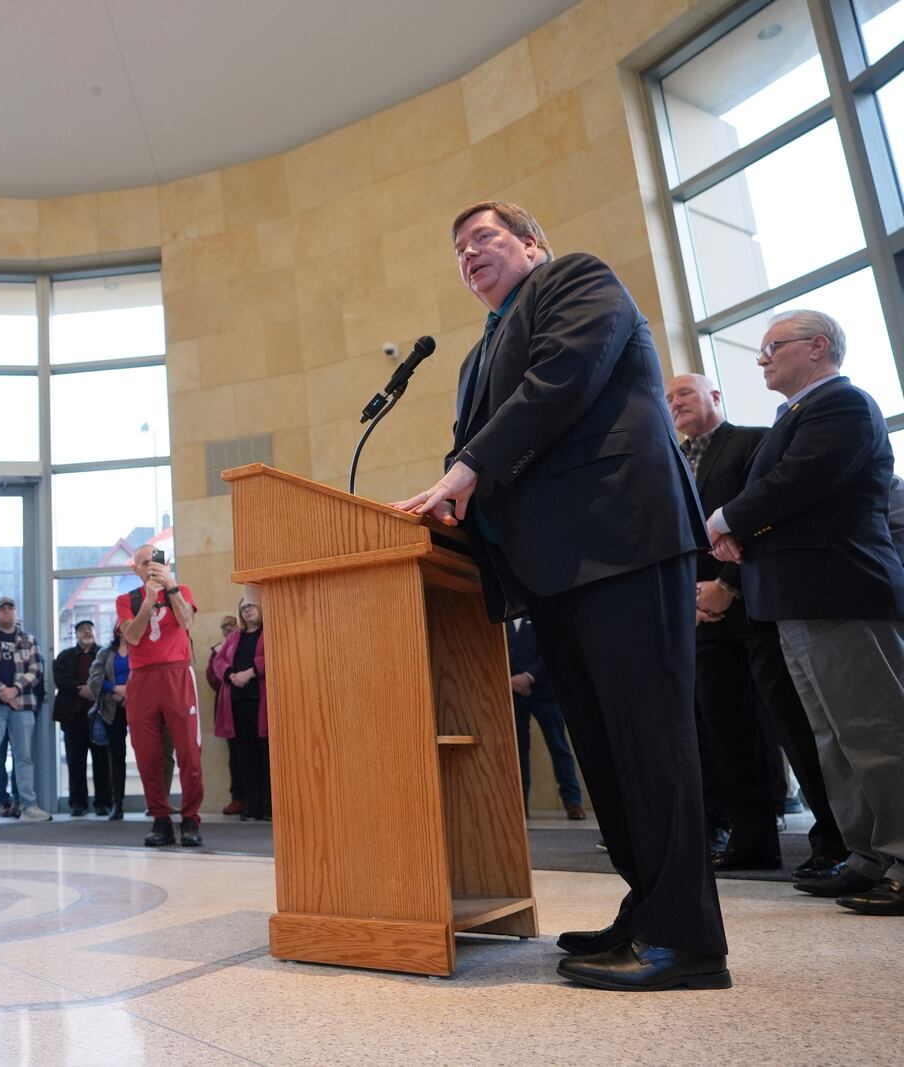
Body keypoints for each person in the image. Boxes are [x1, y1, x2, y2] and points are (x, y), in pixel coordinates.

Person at [394, 201, 727, 991]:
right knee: (608, 754)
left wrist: (463, 472)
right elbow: (475, 449)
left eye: (484, 237)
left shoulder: (576, 277)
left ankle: (688, 939)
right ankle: (648, 907)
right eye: (458, 248)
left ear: (531, 243)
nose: (469, 253)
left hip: (620, 538)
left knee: (649, 741)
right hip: (554, 570)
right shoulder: (480, 352)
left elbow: (561, 379)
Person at [710, 310, 904, 915]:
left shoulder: (842, 405)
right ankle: (868, 854)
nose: (762, 358)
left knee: (875, 732)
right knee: (834, 738)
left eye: (772, 347)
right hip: (796, 597)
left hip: (841, 591)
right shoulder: (792, 415)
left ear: (817, 347)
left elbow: (798, 481)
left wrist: (727, 519)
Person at [667, 372, 845, 876]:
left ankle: (834, 839)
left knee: (791, 724)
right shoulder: (674, 463)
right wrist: (693, 598)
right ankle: (751, 839)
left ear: (714, 397)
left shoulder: (752, 443)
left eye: (684, 392)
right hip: (702, 616)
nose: (674, 402)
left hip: (753, 605)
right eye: (668, 398)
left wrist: (727, 584)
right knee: (726, 729)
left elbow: (763, 515)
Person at [116, 545, 204, 847]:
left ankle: (190, 819)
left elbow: (186, 622)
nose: (151, 567)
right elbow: (132, 636)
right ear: (135, 569)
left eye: (156, 561)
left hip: (177, 675)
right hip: (142, 679)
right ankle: (160, 820)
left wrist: (171, 587)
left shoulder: (182, 590)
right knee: (148, 755)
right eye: (145, 563)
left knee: (189, 752)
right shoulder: (125, 600)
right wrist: (149, 601)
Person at [0, 596, 51, 825]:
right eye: (2, 609)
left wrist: (15, 690)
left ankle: (28, 806)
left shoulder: (28, 639)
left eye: (10, 608)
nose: (6, 612)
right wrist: (3, 691)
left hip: (22, 706)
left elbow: (36, 670)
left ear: (15, 613)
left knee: (24, 758)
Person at [506, 615, 583, 819]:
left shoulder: (540, 616)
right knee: (518, 750)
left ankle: (572, 801)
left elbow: (552, 649)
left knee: (558, 746)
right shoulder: (502, 619)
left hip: (544, 692)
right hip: (512, 693)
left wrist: (529, 677)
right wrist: (511, 680)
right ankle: (521, 804)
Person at [212, 598, 269, 821]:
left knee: (265, 756)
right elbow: (219, 660)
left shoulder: (269, 632)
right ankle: (251, 806)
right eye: (243, 608)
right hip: (237, 705)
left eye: (251, 606)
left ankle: (268, 807)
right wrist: (230, 675)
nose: (247, 611)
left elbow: (274, 654)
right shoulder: (235, 637)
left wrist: (251, 672)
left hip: (261, 704)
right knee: (245, 758)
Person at [53, 620, 108, 816]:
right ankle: (78, 803)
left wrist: (93, 690)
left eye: (89, 629)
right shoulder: (65, 656)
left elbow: (109, 676)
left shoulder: (104, 653)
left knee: (102, 762)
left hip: (100, 717)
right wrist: (82, 689)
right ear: (75, 634)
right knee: (75, 762)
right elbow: (60, 678)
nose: (86, 632)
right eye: (82, 630)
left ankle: (103, 803)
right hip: (73, 717)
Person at [87, 624, 132, 820]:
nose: (126, 629)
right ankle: (117, 804)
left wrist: (130, 691)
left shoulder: (142, 650)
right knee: (116, 757)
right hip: (111, 709)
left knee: (149, 755)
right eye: (122, 626)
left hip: (138, 707)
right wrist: (115, 689)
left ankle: (155, 803)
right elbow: (94, 679)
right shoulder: (105, 653)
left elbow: (148, 675)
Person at [206, 614, 242, 815]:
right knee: (234, 757)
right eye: (223, 627)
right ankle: (238, 797)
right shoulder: (217, 651)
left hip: (251, 704)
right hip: (228, 709)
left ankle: (260, 799)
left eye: (231, 624)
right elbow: (213, 680)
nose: (227, 629)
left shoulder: (248, 642)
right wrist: (231, 676)